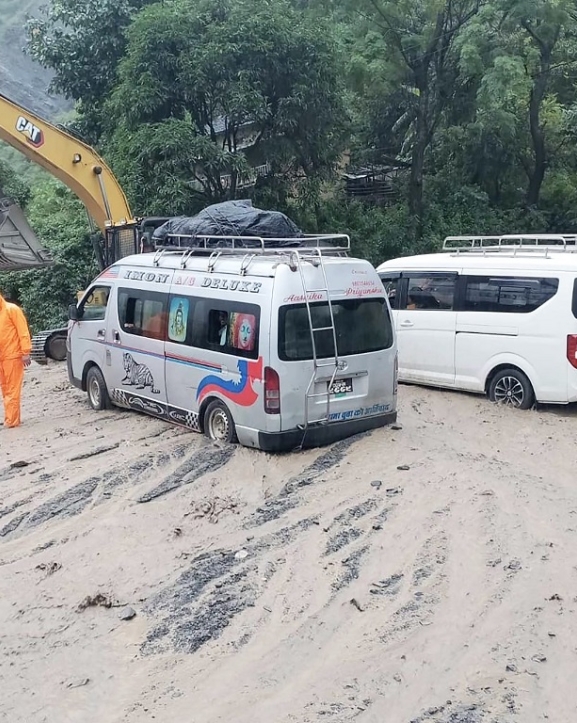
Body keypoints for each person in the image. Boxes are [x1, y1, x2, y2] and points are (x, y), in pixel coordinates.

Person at [0, 293, 32, 428]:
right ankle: (10, 417)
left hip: (13, 355)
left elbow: (23, 331)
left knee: (12, 389)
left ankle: (12, 421)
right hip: (2, 357)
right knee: (5, 389)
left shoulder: (12, 310)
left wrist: (25, 352)